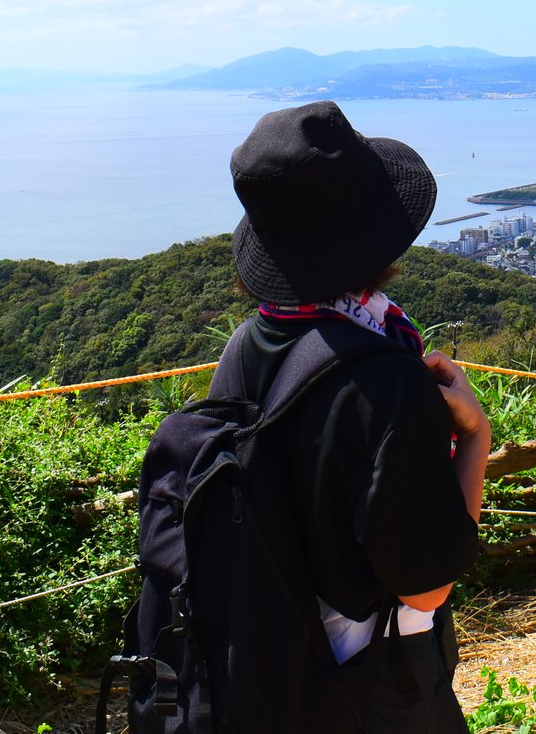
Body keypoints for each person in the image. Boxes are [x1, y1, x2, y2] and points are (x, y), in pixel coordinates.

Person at [221, 100, 491, 732]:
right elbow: (425, 590)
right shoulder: (386, 380)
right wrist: (474, 436)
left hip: (262, 664)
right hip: (369, 680)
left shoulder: (248, 344)